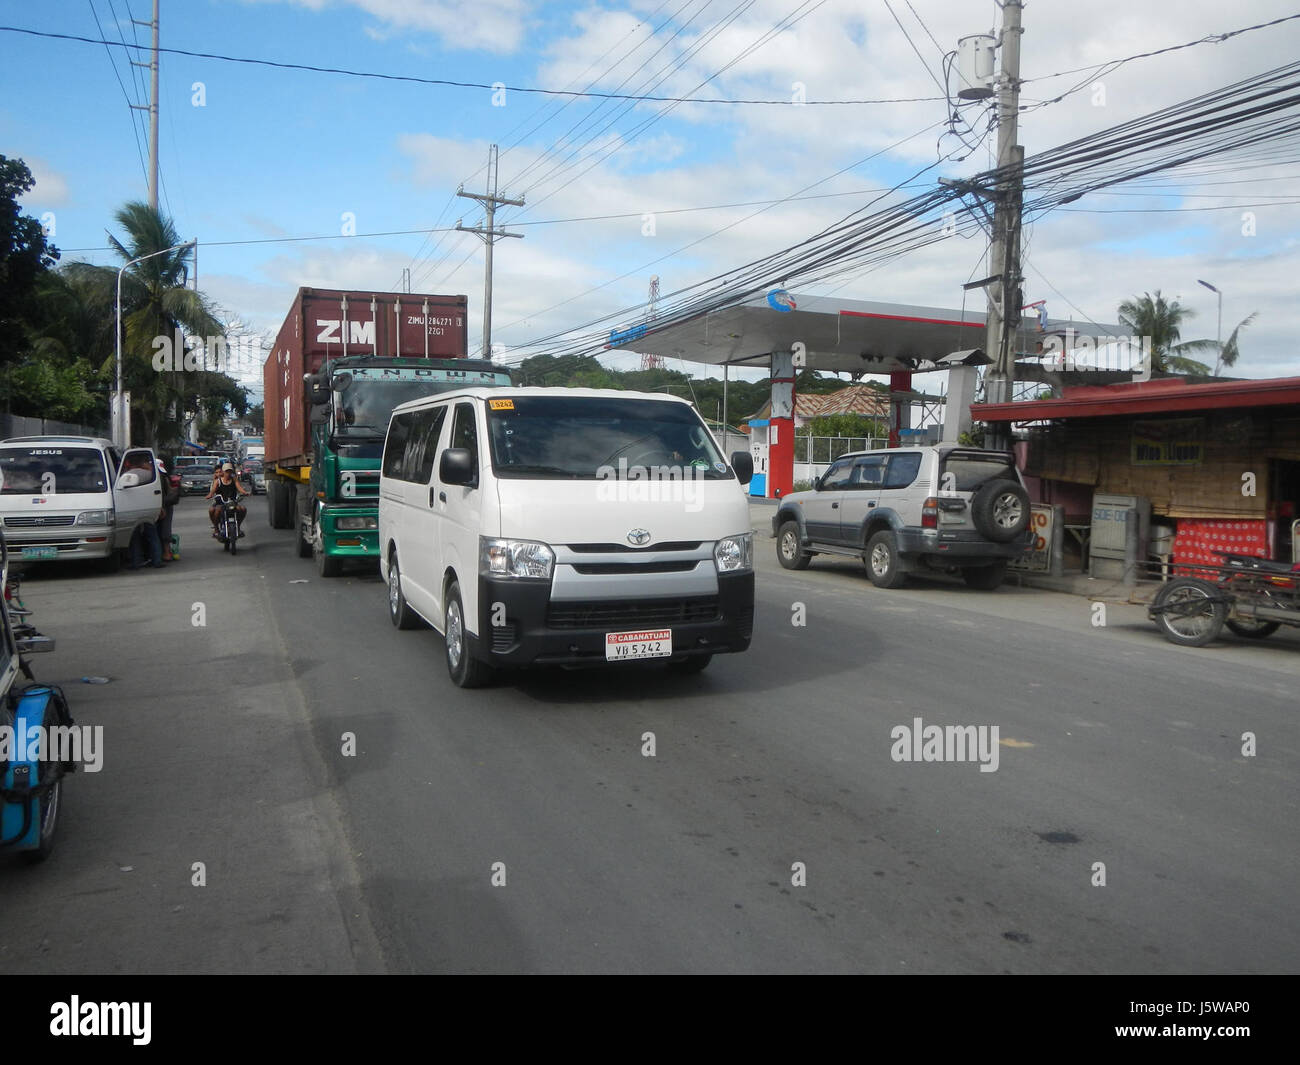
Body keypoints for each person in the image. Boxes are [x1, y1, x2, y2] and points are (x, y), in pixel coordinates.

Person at [206, 462, 249, 538]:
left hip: (232, 502)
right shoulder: (218, 481)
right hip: (221, 502)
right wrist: (210, 495)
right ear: (223, 472)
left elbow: (239, 488)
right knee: (217, 511)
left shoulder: (234, 479)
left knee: (242, 509)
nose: (228, 473)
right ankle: (216, 528)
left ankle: (238, 527)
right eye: (226, 471)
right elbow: (213, 491)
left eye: (230, 471)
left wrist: (245, 493)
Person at [156, 458, 180, 561]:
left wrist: (161, 507)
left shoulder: (161, 478)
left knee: (164, 531)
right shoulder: (164, 476)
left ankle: (166, 552)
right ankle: (166, 551)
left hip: (164, 506)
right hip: (165, 506)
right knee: (164, 530)